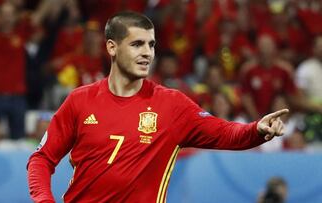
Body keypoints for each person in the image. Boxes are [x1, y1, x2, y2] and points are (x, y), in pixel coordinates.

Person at [27, 11, 289, 203]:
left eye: (151, 44)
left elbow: (225, 133)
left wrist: (257, 129)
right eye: (137, 44)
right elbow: (41, 158)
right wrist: (43, 201)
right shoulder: (80, 101)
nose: (147, 53)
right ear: (112, 47)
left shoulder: (171, 105)